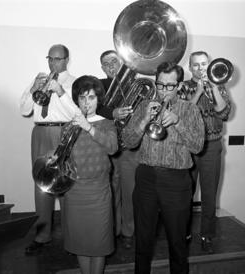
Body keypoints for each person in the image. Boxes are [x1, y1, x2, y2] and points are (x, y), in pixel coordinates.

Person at [122, 61, 205, 274]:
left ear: (178, 86)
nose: (164, 90)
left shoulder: (190, 109)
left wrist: (178, 122)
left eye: (170, 85)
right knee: (143, 240)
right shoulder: (144, 106)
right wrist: (143, 121)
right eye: (160, 84)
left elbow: (198, 147)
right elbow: (128, 141)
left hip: (176, 182)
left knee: (177, 243)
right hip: (146, 178)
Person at [20, 44, 77, 255]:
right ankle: (42, 236)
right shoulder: (39, 80)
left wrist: (58, 90)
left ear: (66, 60)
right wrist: (34, 88)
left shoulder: (73, 83)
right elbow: (24, 109)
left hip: (63, 131)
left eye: (58, 59)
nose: (53, 63)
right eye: (50, 59)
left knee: (65, 183)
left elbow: (75, 113)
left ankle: (71, 236)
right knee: (41, 183)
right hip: (39, 133)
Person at [62, 75, 118, 274]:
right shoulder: (69, 125)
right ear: (77, 100)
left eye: (91, 97)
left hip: (98, 191)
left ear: (98, 99)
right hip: (75, 191)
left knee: (99, 242)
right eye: (82, 98)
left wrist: (88, 127)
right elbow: (64, 159)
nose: (87, 103)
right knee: (81, 241)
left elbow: (112, 147)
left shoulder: (107, 123)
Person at [179, 51, 231, 253]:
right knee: (185, 193)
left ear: (209, 66)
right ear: (190, 68)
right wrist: (199, 91)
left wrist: (215, 88)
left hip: (212, 145)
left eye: (203, 64)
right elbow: (183, 115)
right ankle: (183, 233)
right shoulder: (183, 87)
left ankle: (207, 236)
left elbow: (224, 113)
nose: (200, 68)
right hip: (189, 147)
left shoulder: (220, 85)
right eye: (196, 65)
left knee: (209, 194)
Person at [99, 50, 139, 249]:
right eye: (105, 64)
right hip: (109, 146)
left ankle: (128, 231)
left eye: (114, 61)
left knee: (130, 191)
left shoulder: (135, 84)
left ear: (122, 63)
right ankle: (112, 231)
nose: (110, 66)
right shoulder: (98, 85)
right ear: (102, 68)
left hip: (131, 147)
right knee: (112, 191)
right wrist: (112, 112)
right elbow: (94, 108)